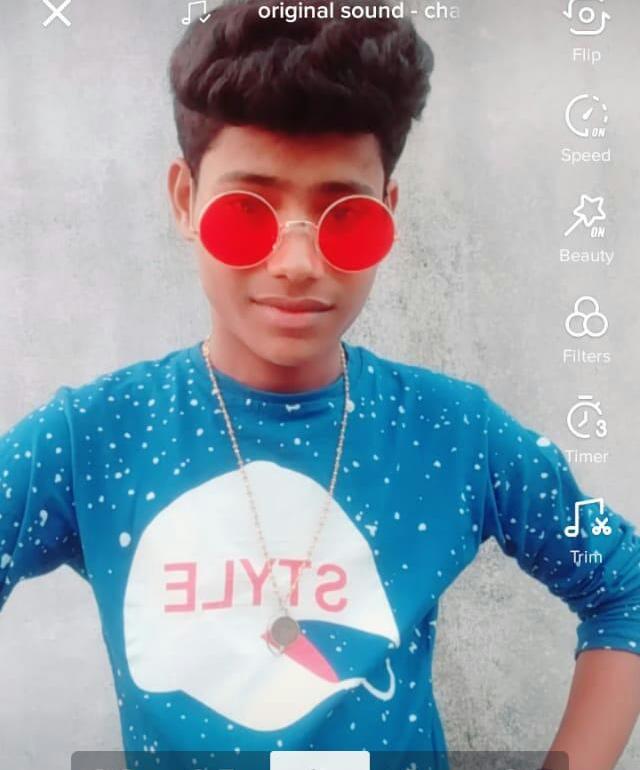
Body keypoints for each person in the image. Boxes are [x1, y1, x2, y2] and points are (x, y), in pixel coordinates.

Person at [1, 1, 639, 769]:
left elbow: (623, 587)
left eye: (345, 217)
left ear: (390, 211)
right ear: (184, 201)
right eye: (247, 211)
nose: (298, 262)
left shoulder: (454, 433)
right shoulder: (94, 437)